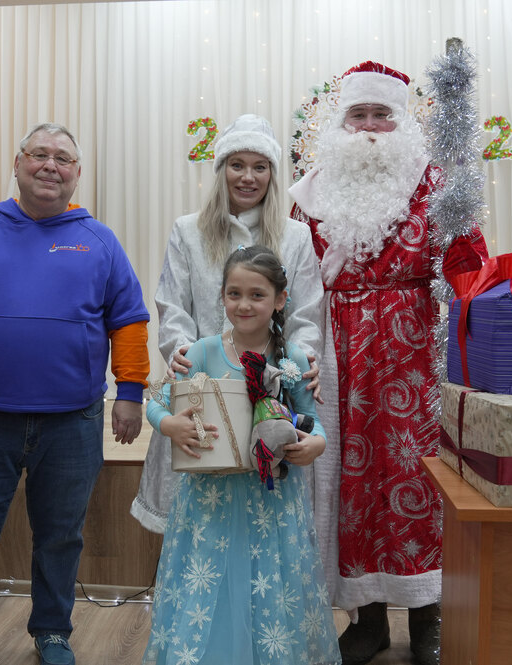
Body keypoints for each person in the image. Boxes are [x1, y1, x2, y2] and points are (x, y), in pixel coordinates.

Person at [0, 122, 151, 665]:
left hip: (73, 420)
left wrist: (130, 391)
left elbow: (129, 319)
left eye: (62, 158)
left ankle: (52, 632)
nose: (50, 165)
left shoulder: (99, 241)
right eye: (39, 154)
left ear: (78, 174)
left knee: (61, 537)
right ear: (17, 164)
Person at [289, 61, 485, 665]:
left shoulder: (436, 183)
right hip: (336, 353)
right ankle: (366, 620)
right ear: (340, 123)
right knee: (345, 483)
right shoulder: (309, 193)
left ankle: (428, 618)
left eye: (382, 114)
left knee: (418, 476)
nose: (371, 126)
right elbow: (292, 275)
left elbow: (469, 269)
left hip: (414, 354)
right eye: (359, 114)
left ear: (403, 121)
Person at [142, 245, 340, 665]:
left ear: (280, 300)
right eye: (234, 294)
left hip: (272, 504)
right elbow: (156, 402)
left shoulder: (293, 359)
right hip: (209, 502)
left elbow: (313, 422)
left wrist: (316, 445)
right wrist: (170, 424)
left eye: (257, 295)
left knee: (266, 588)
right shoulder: (201, 352)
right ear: (222, 296)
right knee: (211, 583)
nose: (244, 304)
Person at [131, 113, 324, 533]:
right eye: (237, 165)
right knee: (199, 516)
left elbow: (306, 311)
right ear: (221, 170)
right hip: (202, 388)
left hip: (269, 391)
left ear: (272, 174)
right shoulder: (188, 231)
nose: (248, 177)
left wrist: (301, 360)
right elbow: (172, 304)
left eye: (260, 167)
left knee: (263, 518)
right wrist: (183, 352)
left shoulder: (295, 236)